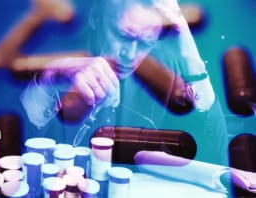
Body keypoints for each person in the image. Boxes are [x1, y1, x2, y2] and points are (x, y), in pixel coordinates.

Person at [20, 0, 229, 165]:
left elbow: (214, 155)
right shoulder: (53, 52)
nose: (130, 55)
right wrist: (50, 78)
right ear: (95, 17)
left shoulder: (165, 74)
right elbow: (14, 150)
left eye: (146, 41)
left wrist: (189, 54)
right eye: (123, 35)